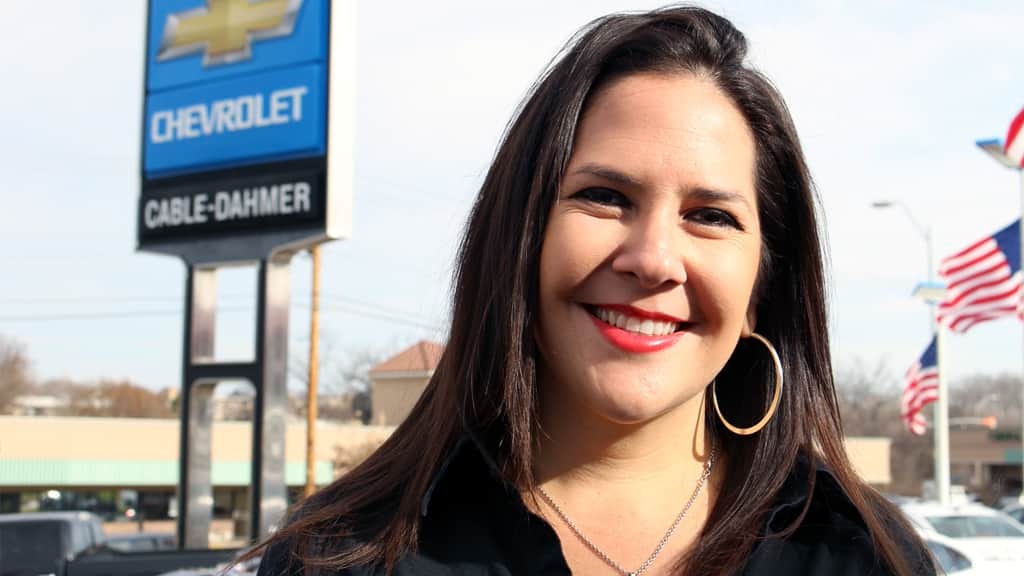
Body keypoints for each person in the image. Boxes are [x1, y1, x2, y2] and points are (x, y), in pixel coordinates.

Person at [250, 5, 934, 575]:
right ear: (521, 236)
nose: (654, 258)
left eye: (711, 216)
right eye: (604, 197)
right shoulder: (339, 558)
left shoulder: (864, 557)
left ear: (763, 285)